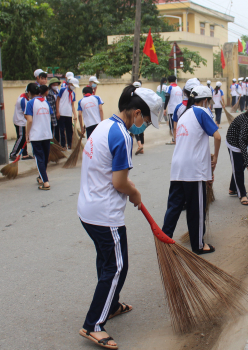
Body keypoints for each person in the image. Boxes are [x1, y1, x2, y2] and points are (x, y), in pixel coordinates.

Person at [77, 85, 161, 349]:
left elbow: (108, 170)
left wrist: (127, 185)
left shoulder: (104, 126)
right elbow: (119, 183)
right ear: (136, 113)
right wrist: (134, 193)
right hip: (105, 214)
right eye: (146, 122)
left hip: (88, 210)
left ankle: (110, 305)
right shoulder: (123, 136)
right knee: (116, 267)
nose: (144, 127)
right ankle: (93, 324)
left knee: (106, 262)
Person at [162, 85, 221, 254]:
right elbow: (217, 136)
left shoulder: (183, 115)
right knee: (197, 209)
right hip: (194, 170)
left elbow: (192, 141)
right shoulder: (202, 112)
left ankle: (164, 240)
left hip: (177, 168)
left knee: (173, 207)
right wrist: (215, 157)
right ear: (205, 100)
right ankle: (199, 245)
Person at [25, 84, 53, 190]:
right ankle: (41, 177)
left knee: (39, 158)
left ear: (29, 92)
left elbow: (30, 120)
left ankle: (45, 182)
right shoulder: (46, 102)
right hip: (46, 134)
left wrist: (27, 134)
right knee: (44, 158)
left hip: (36, 135)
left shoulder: (30, 103)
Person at [9, 84, 34, 161]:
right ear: (28, 92)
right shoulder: (23, 100)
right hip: (19, 121)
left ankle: (25, 154)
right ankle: (13, 154)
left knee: (23, 138)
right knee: (21, 137)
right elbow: (25, 113)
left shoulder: (23, 97)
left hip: (20, 120)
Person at [56, 77, 79, 149]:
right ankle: (63, 145)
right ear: (69, 84)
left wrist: (75, 114)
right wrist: (58, 111)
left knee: (69, 130)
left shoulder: (73, 93)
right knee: (62, 130)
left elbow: (72, 105)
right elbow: (57, 100)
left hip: (68, 114)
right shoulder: (63, 90)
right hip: (62, 113)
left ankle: (70, 144)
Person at [164, 75, 182, 144]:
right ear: (175, 80)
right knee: (179, 124)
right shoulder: (179, 88)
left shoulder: (169, 87)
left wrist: (164, 108)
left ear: (168, 81)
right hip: (180, 109)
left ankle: (174, 140)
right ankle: (179, 138)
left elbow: (167, 97)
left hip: (172, 109)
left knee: (172, 125)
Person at [47, 78, 61, 145]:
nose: (56, 85)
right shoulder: (48, 94)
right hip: (51, 115)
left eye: (57, 84)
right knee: (51, 130)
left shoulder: (58, 92)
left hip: (58, 114)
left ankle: (57, 143)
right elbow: (50, 105)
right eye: (54, 84)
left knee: (58, 130)